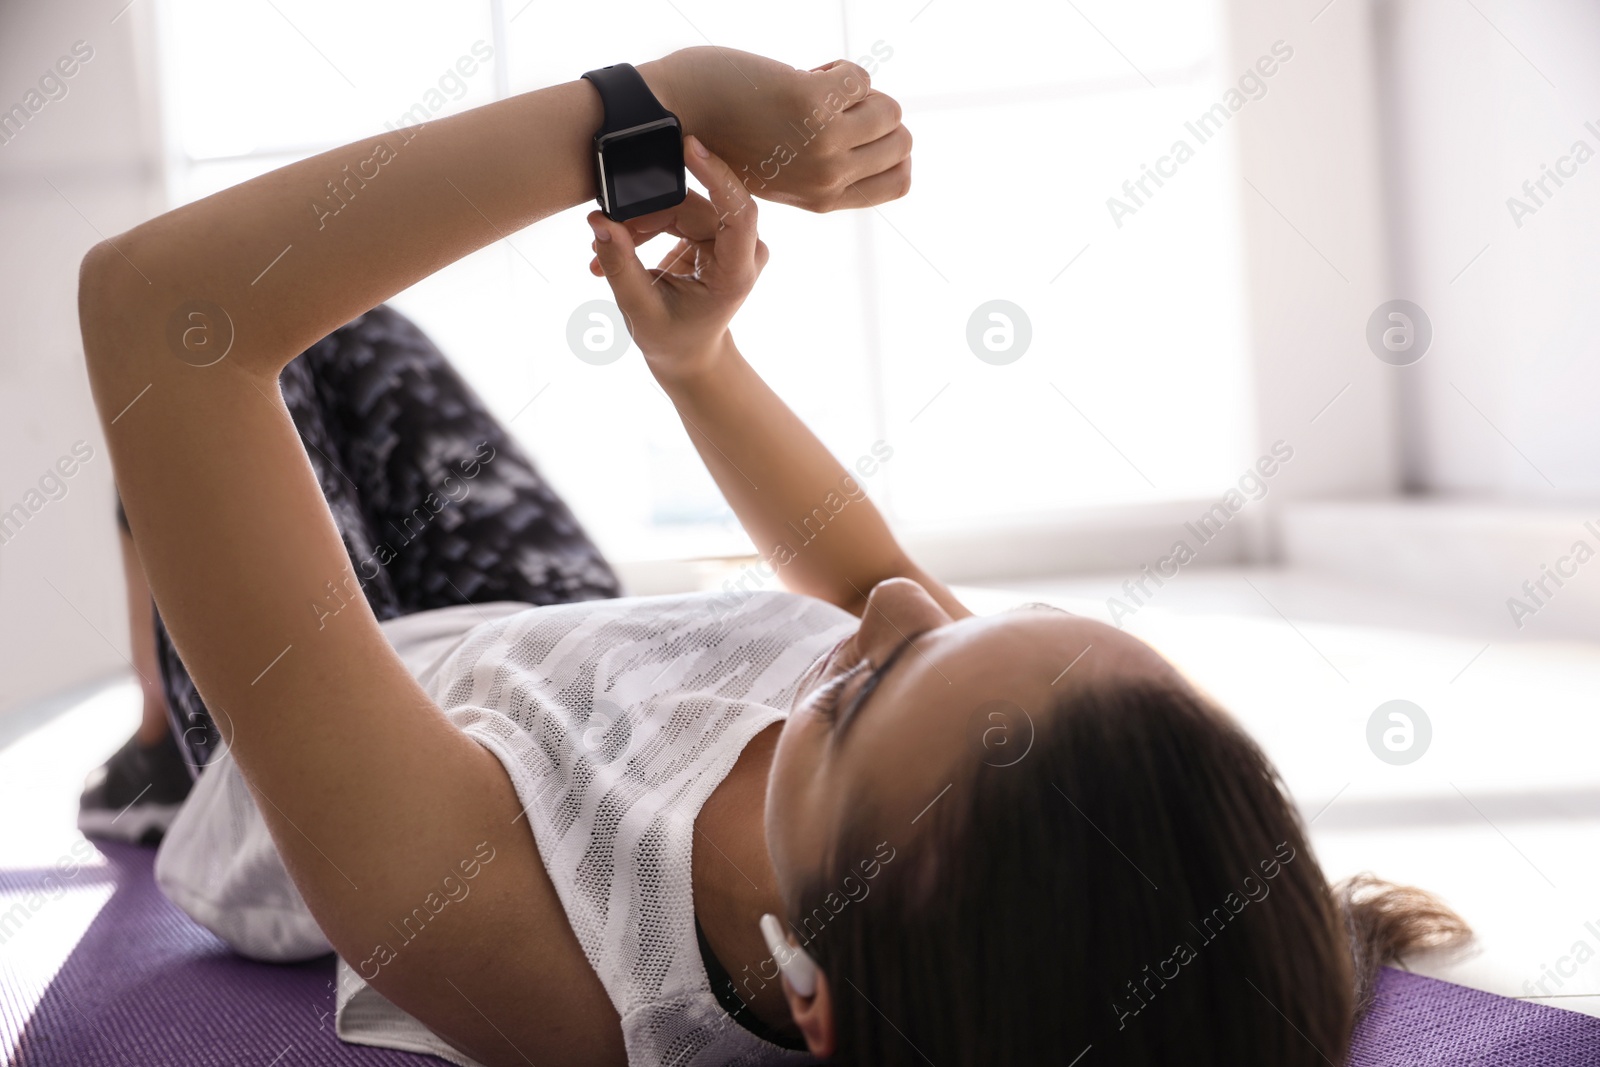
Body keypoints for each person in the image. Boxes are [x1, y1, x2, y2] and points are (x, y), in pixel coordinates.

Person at [76, 45, 1467, 1067]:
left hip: (344, 718)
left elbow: (159, 310)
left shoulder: (529, 964)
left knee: (232, 393)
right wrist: (702, 367)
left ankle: (158, 738)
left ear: (813, 993)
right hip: (562, 640)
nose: (911, 606)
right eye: (972, 629)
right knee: (351, 329)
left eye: (861, 692)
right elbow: (860, 573)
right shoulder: (989, 789)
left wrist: (646, 110)